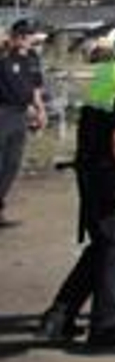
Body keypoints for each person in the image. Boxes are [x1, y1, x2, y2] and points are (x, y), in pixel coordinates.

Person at [39, 16, 115, 348]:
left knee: (103, 246)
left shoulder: (109, 71)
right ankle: (109, 328)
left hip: (91, 170)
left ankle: (59, 317)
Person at [0, 18, 49, 225]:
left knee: (12, 164)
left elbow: (35, 86)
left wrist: (40, 110)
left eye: (32, 36)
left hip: (21, 114)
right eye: (28, 36)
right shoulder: (3, 56)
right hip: (3, 112)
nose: (31, 40)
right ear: (17, 36)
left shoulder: (32, 57)